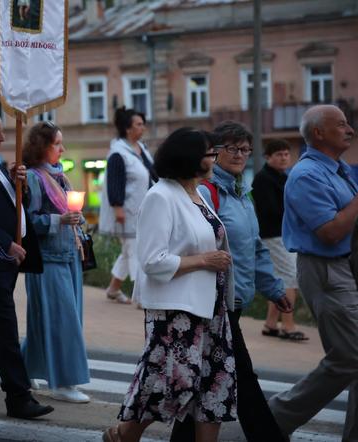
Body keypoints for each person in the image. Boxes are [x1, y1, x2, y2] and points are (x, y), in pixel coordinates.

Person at [103, 128, 235, 442]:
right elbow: (151, 260)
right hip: (176, 310)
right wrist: (205, 260)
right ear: (190, 158)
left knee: (215, 385)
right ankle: (124, 435)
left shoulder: (199, 194)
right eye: (209, 153)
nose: (215, 158)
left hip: (211, 306)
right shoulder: (160, 196)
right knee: (170, 384)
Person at [170, 121, 292, 442]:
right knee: (242, 379)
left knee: (208, 378)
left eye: (245, 149)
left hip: (234, 301)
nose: (240, 155)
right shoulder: (207, 193)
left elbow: (255, 247)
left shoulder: (242, 194)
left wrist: (275, 289)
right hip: (214, 303)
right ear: (215, 152)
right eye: (232, 148)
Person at [268, 104, 358, 441]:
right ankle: (274, 419)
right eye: (341, 124)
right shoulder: (307, 175)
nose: (349, 129)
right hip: (324, 269)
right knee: (349, 358)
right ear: (319, 133)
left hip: (344, 267)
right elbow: (331, 232)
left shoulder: (338, 169)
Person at [0, 108, 54, 419]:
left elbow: (13, 204)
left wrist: (19, 182)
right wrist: (7, 242)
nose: (2, 137)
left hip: (10, 256)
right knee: (3, 327)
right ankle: (18, 396)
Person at [21, 121, 91, 403]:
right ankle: (63, 383)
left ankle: (22, 368)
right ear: (42, 147)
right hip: (47, 259)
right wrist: (59, 219)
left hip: (68, 255)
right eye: (56, 144)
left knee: (46, 320)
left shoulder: (60, 176)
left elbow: (70, 212)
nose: (62, 149)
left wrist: (77, 217)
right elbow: (29, 219)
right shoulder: (35, 178)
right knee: (64, 321)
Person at [252, 139, 308, 341]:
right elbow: (271, 211)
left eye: (286, 154)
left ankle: (270, 324)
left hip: (283, 234)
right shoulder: (263, 178)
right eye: (279, 154)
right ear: (268, 157)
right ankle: (288, 325)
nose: (284, 157)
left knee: (280, 279)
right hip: (274, 235)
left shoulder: (282, 177)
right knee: (289, 278)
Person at [99, 107, 156, 304]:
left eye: (142, 124)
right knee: (135, 251)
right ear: (127, 128)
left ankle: (114, 288)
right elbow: (115, 182)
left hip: (143, 210)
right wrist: (118, 208)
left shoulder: (142, 149)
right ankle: (142, 296)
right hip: (127, 211)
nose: (143, 128)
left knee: (128, 251)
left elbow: (152, 175)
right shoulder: (118, 153)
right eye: (138, 124)